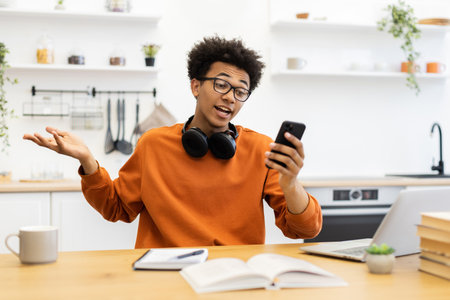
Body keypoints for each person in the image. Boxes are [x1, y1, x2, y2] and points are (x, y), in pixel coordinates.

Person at [23, 36, 322, 248]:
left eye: (240, 91)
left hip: (235, 279)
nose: (230, 96)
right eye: (221, 84)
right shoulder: (153, 144)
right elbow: (116, 208)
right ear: (196, 85)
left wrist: (291, 185)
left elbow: (305, 229)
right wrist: (87, 161)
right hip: (164, 277)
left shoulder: (260, 149)